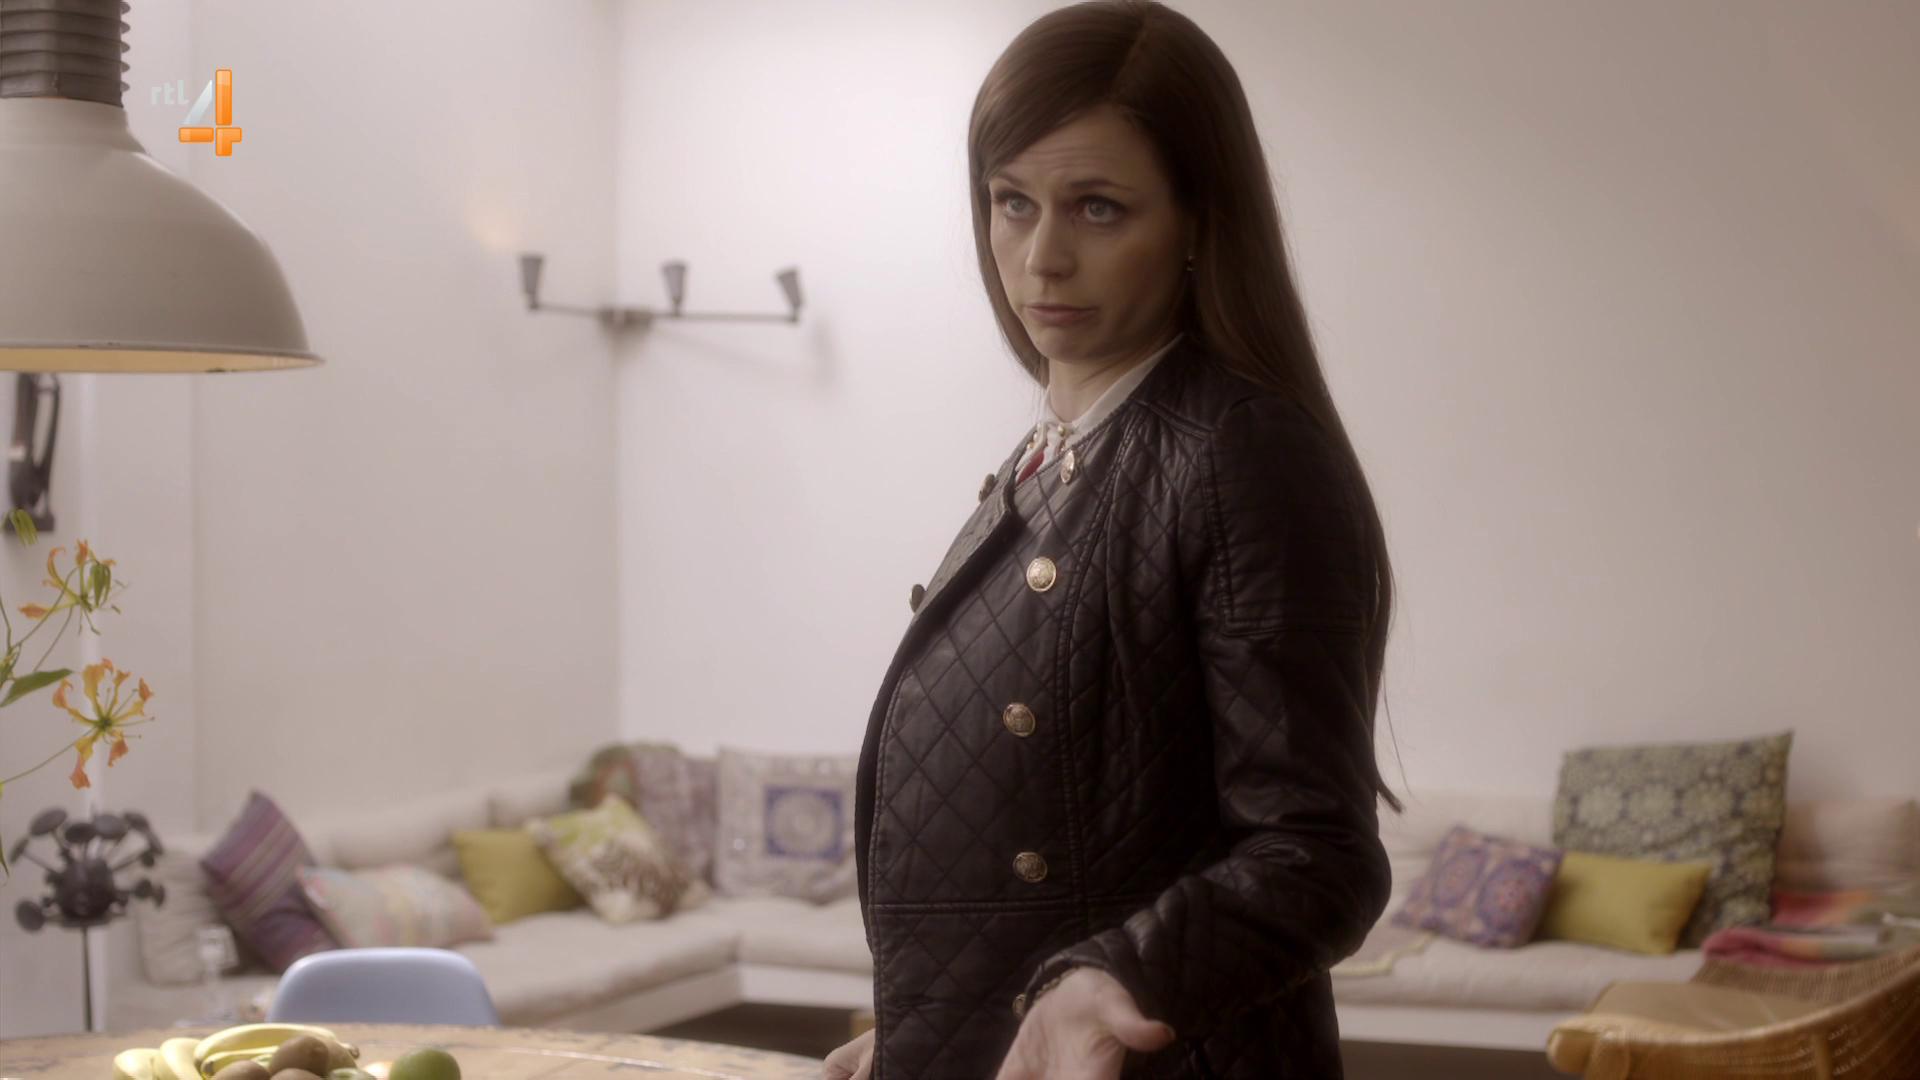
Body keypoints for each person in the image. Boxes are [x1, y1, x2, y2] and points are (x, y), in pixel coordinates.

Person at [825, 3, 1405, 1077]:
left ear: (1198, 221)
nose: (1042, 258)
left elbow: (1317, 855)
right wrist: (930, 1034)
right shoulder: (1056, 453)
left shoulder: (1239, 452)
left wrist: (1120, 984)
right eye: (1012, 202)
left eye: (1098, 208)